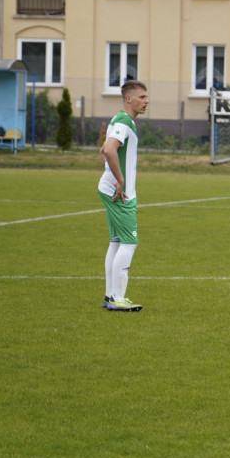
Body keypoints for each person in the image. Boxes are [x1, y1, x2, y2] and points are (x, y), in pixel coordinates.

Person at [98, 80, 149, 312]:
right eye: (142, 97)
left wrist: (111, 170)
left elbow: (106, 148)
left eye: (147, 97)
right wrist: (120, 180)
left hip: (112, 190)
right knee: (130, 242)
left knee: (117, 242)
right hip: (120, 194)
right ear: (129, 99)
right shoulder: (124, 121)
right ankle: (118, 298)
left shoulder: (119, 119)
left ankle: (111, 296)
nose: (146, 101)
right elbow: (108, 150)